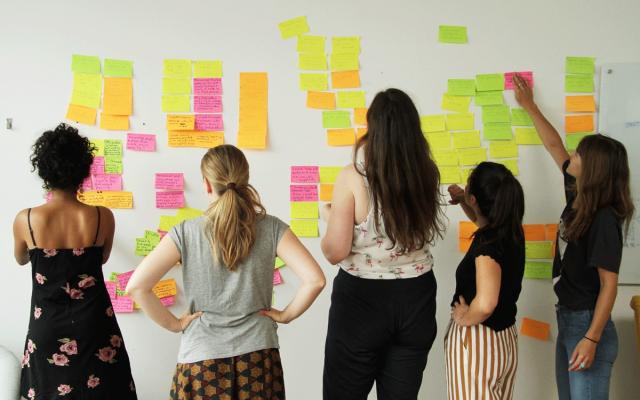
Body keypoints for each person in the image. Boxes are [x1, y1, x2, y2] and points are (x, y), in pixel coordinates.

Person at [126, 144, 325, 400]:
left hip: (201, 359)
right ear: (245, 180)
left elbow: (136, 287)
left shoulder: (185, 232)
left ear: (207, 184)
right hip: (258, 357)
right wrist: (285, 315)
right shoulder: (272, 228)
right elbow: (315, 280)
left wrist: (175, 324)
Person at [514, 74, 635, 399]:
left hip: (587, 325)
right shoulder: (579, 200)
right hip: (569, 318)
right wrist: (530, 107)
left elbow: (609, 283)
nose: (573, 157)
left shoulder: (604, 218)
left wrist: (592, 338)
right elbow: (554, 146)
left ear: (593, 169)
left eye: (579, 155)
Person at [320, 88, 446, 400]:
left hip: (362, 299)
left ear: (373, 128)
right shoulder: (427, 173)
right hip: (416, 297)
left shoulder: (354, 177)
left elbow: (335, 251)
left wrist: (330, 216)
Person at [13, 123, 137, 399]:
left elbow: (21, 258)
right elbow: (102, 258)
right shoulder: (102, 216)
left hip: (46, 326)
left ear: (43, 169)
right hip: (95, 326)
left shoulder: (27, 219)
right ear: (83, 169)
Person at [445, 162, 525, 400]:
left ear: (475, 200)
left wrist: (463, 317)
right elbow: (483, 220)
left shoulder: (486, 246)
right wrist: (464, 200)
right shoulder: (510, 231)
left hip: (478, 340)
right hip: (504, 340)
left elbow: (486, 304)